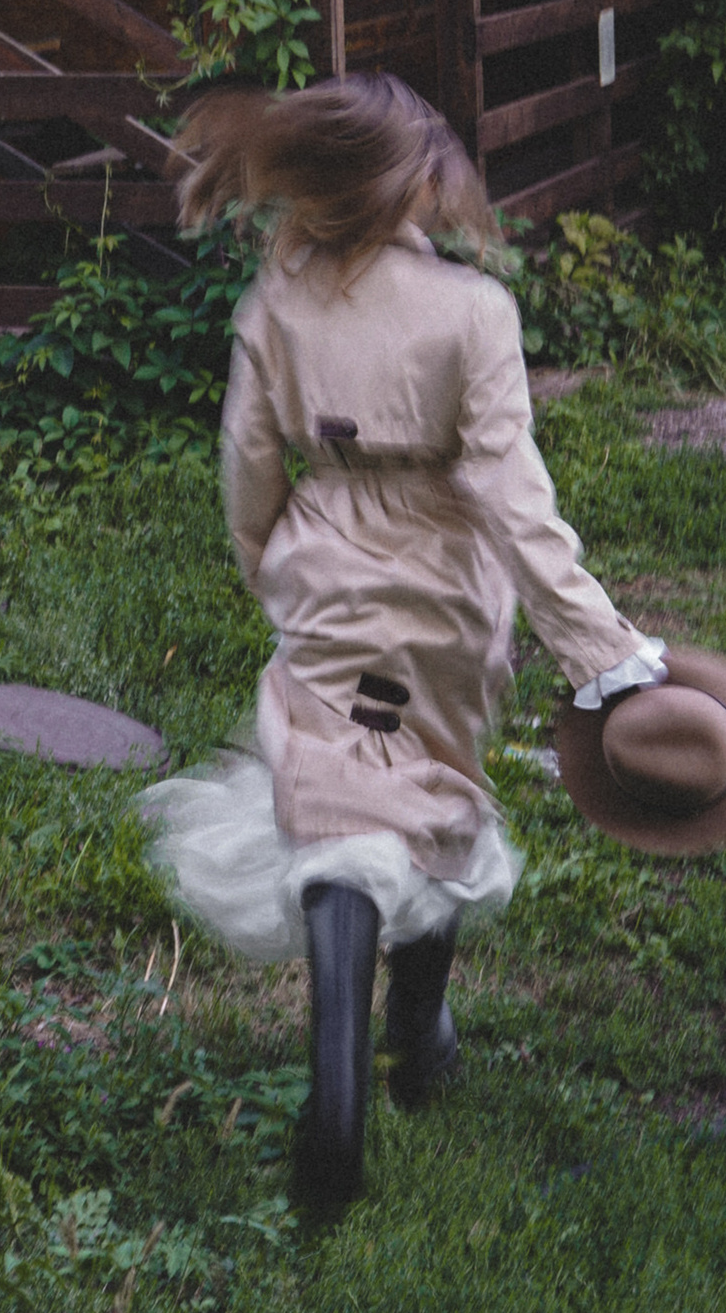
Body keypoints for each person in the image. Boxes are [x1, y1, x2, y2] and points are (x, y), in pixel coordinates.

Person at [137, 72, 669, 1210]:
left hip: (326, 563)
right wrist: (597, 643)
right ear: (412, 183)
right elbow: (509, 491)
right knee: (431, 779)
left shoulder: (277, 303)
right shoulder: (471, 312)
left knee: (334, 777)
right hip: (442, 585)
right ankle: (415, 1036)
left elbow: (249, 458)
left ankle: (343, 1084)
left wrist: (267, 560)